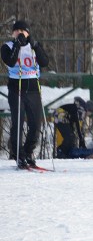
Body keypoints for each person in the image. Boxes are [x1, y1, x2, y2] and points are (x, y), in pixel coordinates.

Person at [1, 20, 50, 168]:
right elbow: (10, 61)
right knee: (18, 123)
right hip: (17, 88)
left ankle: (28, 152)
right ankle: (19, 155)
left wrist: (35, 45)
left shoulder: (34, 46)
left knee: (35, 125)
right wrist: (17, 44)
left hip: (34, 89)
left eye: (24, 31)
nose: (21, 33)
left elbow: (45, 62)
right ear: (13, 33)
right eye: (17, 30)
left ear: (28, 33)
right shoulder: (7, 46)